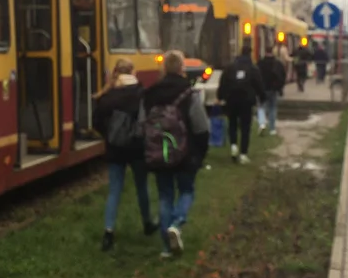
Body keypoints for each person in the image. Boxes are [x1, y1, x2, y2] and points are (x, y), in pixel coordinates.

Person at [139, 50, 210, 258]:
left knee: (164, 195)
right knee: (187, 191)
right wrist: (199, 155)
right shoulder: (189, 93)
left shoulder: (149, 94)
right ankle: (177, 224)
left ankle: (166, 248)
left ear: (163, 69)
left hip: (159, 153)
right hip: (185, 154)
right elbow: (201, 127)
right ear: (182, 69)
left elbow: (141, 125)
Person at [93, 59, 157, 251]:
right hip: (137, 148)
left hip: (115, 148)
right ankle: (147, 223)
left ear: (116, 73)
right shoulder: (142, 93)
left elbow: (97, 122)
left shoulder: (108, 96)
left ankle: (108, 232)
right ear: (133, 72)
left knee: (114, 190)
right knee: (141, 187)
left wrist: (110, 135)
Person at [217, 40, 265, 164]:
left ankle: (233, 145)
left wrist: (220, 96)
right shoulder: (253, 68)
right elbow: (259, 85)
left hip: (231, 100)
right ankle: (243, 154)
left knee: (232, 124)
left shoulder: (230, 67)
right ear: (250, 54)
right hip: (246, 102)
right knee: (245, 127)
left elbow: (223, 83)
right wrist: (262, 97)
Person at [257, 46, 286, 136]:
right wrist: (280, 88)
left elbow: (256, 76)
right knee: (272, 108)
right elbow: (283, 76)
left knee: (261, 107)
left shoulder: (260, 63)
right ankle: (272, 129)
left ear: (265, 52)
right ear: (272, 52)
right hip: (273, 89)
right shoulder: (277, 63)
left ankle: (262, 123)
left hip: (262, 89)